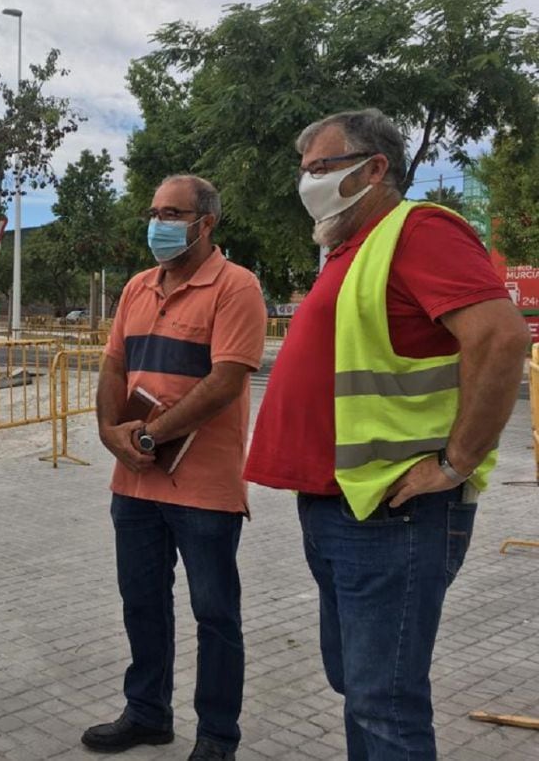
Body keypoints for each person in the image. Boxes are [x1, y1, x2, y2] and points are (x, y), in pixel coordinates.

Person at [245, 108, 529, 760]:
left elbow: (501, 336)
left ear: (374, 169)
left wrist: (455, 464)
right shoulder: (349, 250)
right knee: (362, 691)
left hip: (390, 513)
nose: (306, 181)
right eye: (303, 169)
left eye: (321, 167)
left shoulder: (417, 230)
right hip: (343, 505)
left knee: (385, 707)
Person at [83, 175, 267, 761]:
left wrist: (149, 432)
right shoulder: (137, 287)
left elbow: (226, 381)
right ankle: (147, 713)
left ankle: (217, 736)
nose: (158, 222)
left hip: (205, 488)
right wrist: (111, 435)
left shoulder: (236, 288)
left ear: (205, 224)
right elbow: (114, 367)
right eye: (155, 210)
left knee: (214, 614)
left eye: (172, 212)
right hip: (134, 481)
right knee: (141, 601)